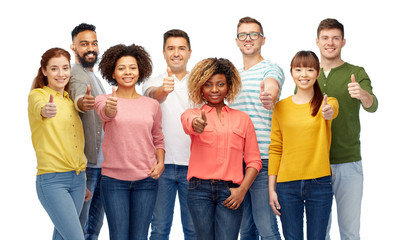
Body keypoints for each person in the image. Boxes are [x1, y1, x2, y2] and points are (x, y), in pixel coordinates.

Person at [181, 58, 262, 240]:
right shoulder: (192, 114)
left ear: (229, 86)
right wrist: (197, 124)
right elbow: (190, 124)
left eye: (220, 84)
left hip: (231, 191)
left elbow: (254, 161)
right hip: (199, 190)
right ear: (200, 87)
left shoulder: (243, 119)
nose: (215, 90)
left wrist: (242, 190)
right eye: (208, 85)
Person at [315, 18, 378, 240]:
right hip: (316, 165)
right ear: (317, 41)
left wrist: (363, 95)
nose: (330, 43)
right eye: (325, 38)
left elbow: (373, 105)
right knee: (319, 232)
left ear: (343, 42)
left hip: (348, 162)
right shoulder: (308, 75)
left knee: (350, 233)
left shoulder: (356, 72)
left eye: (335, 38)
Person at [95, 44, 165, 240]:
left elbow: (158, 138)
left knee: (140, 236)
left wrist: (160, 163)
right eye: (122, 68)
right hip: (114, 181)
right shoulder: (104, 100)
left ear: (140, 70)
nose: (128, 72)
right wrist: (110, 108)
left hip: (146, 180)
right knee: (118, 236)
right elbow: (106, 113)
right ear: (113, 72)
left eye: (132, 67)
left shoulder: (151, 105)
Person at [268, 50, 339, 240]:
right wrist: (271, 189)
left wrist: (328, 112)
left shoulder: (327, 102)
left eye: (309, 69)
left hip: (320, 182)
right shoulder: (281, 107)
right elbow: (275, 148)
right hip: (286, 185)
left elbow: (332, 110)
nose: (304, 74)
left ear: (317, 73)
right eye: (298, 69)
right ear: (291, 73)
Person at [232, 16, 284, 240]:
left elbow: (272, 85)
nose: (248, 39)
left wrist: (269, 97)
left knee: (267, 228)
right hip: (237, 163)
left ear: (263, 40)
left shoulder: (270, 68)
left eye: (254, 34)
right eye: (243, 35)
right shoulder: (232, 76)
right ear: (237, 41)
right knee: (246, 230)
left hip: (263, 160)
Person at [28, 47, 88, 240]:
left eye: (65, 68)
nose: (61, 74)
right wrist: (46, 110)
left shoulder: (70, 102)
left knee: (62, 236)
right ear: (44, 70)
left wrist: (83, 178)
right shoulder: (38, 96)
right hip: (53, 181)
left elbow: (75, 143)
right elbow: (40, 108)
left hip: (78, 179)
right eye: (54, 69)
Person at [142, 29, 196, 240]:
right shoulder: (152, 81)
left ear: (190, 52)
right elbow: (153, 96)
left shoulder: (200, 82)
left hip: (193, 167)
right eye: (171, 48)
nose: (176, 53)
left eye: (181, 48)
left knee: (193, 230)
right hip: (160, 166)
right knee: (160, 228)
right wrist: (163, 90)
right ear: (163, 53)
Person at [69, 23, 106, 240]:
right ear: (73, 48)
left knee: (93, 228)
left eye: (94, 43)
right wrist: (83, 102)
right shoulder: (76, 73)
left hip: (101, 165)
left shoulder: (94, 76)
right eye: (84, 44)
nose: (90, 48)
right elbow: (79, 99)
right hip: (88, 167)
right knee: (80, 227)